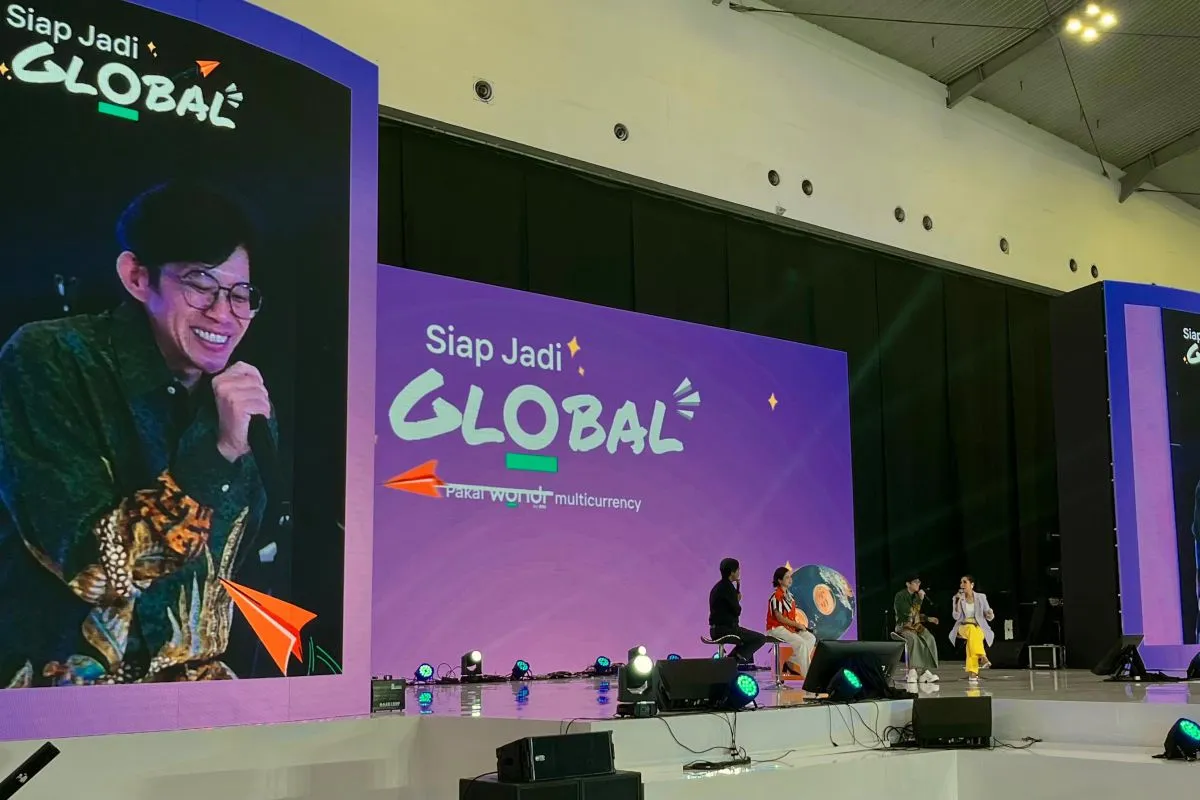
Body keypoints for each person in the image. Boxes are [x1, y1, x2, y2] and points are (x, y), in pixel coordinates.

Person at [0, 183, 275, 688]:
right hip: (62, 701)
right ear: (137, 276)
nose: (223, 313)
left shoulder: (238, 400)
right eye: (200, 284)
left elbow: (238, 577)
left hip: (201, 706)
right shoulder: (52, 359)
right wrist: (215, 456)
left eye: (241, 295)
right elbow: (93, 567)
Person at [708, 557, 767, 666]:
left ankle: (730, 661)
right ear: (732, 572)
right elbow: (736, 611)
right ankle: (731, 662)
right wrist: (737, 600)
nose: (739, 572)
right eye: (738, 570)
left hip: (715, 629)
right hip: (726, 629)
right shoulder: (728, 588)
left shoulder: (717, 587)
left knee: (747, 638)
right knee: (760, 638)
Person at [765, 566, 816, 677]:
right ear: (780, 580)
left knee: (811, 638)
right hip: (776, 628)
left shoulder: (790, 596)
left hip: (788, 628)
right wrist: (797, 625)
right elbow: (779, 618)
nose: (790, 579)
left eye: (790, 577)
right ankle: (809, 678)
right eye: (787, 577)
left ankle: (792, 661)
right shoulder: (776, 597)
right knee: (801, 643)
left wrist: (797, 626)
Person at [893, 575, 940, 684]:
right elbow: (908, 613)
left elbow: (916, 615)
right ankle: (912, 671)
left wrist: (928, 618)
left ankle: (925, 672)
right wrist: (920, 600)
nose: (918, 584)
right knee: (914, 639)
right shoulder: (900, 596)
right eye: (915, 582)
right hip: (903, 626)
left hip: (916, 626)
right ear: (908, 584)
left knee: (929, 638)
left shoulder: (915, 596)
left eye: (919, 582)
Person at [950, 575, 994, 684]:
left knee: (973, 638)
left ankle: (973, 674)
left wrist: (990, 613)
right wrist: (958, 601)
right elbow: (956, 616)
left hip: (978, 627)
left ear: (972, 584)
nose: (962, 585)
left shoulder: (981, 597)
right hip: (963, 626)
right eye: (961, 582)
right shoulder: (957, 598)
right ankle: (982, 656)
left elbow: (989, 616)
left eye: (965, 582)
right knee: (971, 630)